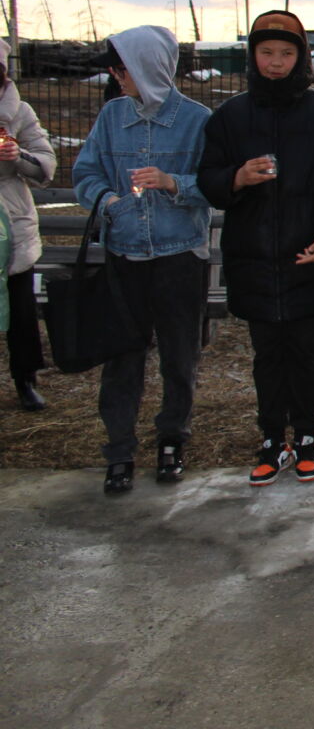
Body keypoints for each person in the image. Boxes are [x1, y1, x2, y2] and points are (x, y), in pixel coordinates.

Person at [199, 10, 314, 486]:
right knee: (266, 354)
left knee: (307, 352)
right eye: (266, 52)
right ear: (252, 56)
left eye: (286, 53)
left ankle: (307, 436)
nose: (276, 62)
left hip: (310, 255)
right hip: (254, 258)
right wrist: (237, 177)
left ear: (301, 57)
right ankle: (272, 438)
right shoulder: (229, 116)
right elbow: (207, 179)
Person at [73, 26, 212, 493]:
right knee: (122, 359)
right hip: (125, 255)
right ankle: (119, 450)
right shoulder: (111, 116)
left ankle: (172, 439)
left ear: (147, 67)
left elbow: (214, 184)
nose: (117, 77)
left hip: (179, 256)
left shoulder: (196, 120)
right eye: (115, 69)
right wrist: (109, 201)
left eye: (122, 68)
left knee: (179, 356)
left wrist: (174, 183)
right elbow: (85, 172)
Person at [0, 39, 57, 412]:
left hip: (10, 222)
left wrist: (17, 155)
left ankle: (26, 379)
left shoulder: (19, 112)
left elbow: (45, 164)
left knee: (20, 310)